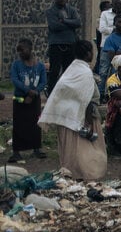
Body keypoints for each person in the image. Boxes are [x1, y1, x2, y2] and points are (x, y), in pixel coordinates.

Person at [38, 40, 106, 180]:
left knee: (69, 150)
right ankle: (85, 174)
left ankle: (71, 174)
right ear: (88, 53)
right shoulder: (85, 72)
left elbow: (61, 92)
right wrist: (87, 121)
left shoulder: (71, 69)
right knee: (84, 150)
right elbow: (85, 99)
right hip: (79, 118)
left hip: (66, 116)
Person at [9, 38, 47, 163]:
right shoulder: (16, 65)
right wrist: (27, 91)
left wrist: (34, 93)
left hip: (34, 100)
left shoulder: (40, 66)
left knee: (35, 124)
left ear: (30, 49)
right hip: (19, 99)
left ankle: (36, 148)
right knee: (18, 124)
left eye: (22, 50)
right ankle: (16, 152)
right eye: (19, 51)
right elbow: (15, 80)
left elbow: (43, 82)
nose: (20, 53)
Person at [46, 0, 82, 95]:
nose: (62, 0)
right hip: (56, 44)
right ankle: (51, 92)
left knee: (69, 70)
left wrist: (64, 21)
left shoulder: (71, 10)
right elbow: (54, 26)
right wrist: (70, 24)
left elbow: (78, 23)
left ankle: (68, 92)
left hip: (70, 43)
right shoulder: (50, 11)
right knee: (54, 70)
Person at [98, 0, 121, 99]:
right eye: (117, 4)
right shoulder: (105, 14)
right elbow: (102, 29)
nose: (120, 6)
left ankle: (112, 93)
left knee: (115, 72)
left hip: (120, 48)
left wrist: (118, 27)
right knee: (103, 71)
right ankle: (100, 94)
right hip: (106, 47)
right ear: (112, 5)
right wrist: (115, 29)